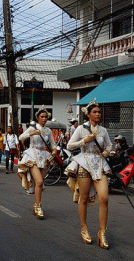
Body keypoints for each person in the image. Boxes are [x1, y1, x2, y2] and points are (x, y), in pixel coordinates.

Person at [66, 99, 112, 249]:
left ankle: (102, 232)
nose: (98, 114)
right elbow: (70, 145)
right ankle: (84, 228)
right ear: (88, 114)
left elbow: (109, 144)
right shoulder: (81, 129)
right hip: (84, 163)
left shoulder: (103, 130)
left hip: (99, 164)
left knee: (104, 198)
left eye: (99, 112)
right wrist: (85, 140)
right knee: (83, 198)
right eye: (95, 112)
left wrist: (106, 152)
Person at [18, 107, 56, 219]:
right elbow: (20, 137)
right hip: (33, 155)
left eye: (46, 117)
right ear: (37, 118)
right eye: (42, 117)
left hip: (43, 156)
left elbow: (52, 143)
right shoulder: (32, 128)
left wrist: (54, 150)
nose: (44, 119)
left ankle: (36, 205)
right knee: (39, 181)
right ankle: (38, 206)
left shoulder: (48, 130)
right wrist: (31, 133)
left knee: (40, 183)